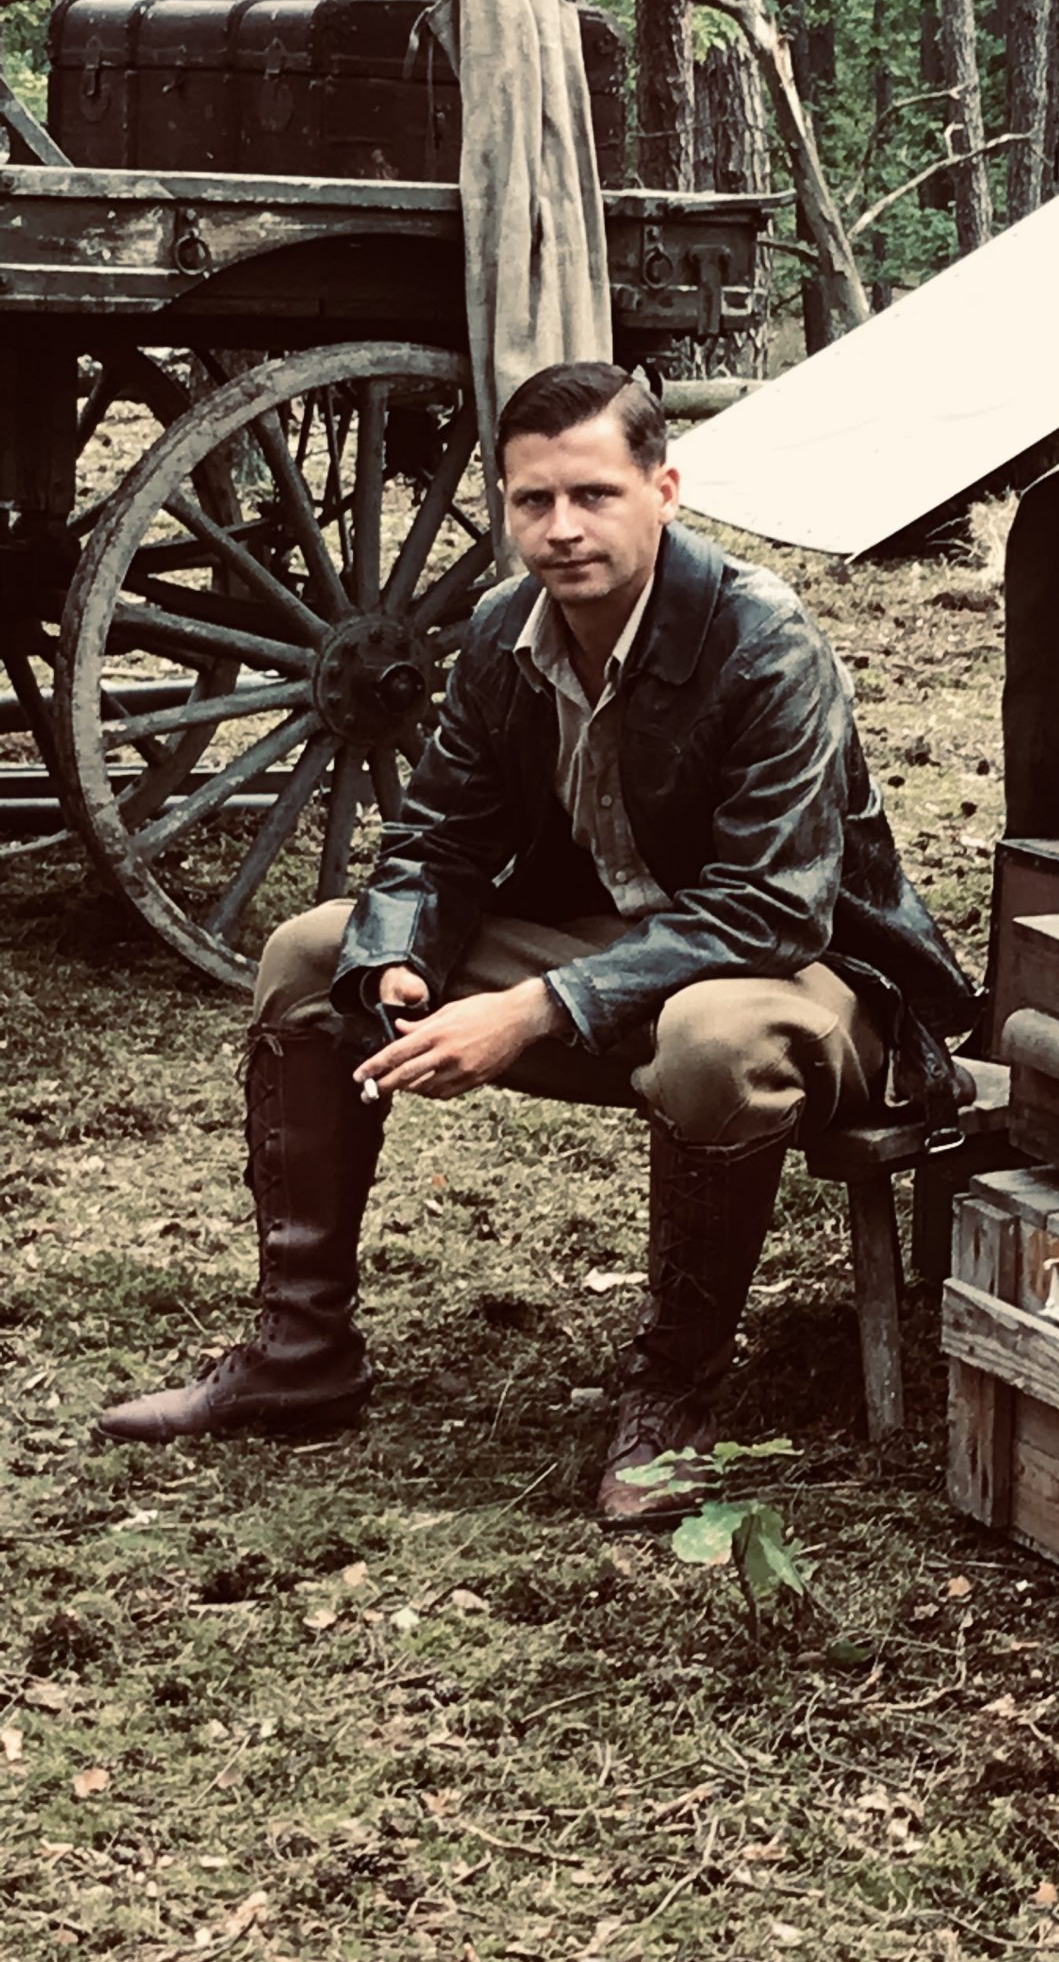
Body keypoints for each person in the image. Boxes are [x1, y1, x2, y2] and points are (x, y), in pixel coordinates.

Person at [95, 359, 978, 1524]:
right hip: (621, 957)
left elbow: (772, 907)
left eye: (595, 495)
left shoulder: (766, 642)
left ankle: (674, 1401)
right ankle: (302, 1348)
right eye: (530, 502)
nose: (561, 530)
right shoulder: (507, 630)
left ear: (666, 488)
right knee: (316, 955)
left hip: (815, 980)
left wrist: (533, 1008)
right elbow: (436, 838)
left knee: (713, 1039)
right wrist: (402, 948)